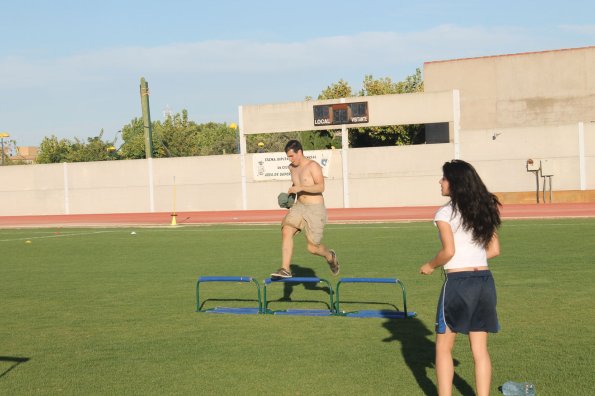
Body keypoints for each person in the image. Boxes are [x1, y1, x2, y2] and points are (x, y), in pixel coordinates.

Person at [419, 160, 502, 396]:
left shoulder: (445, 212)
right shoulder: (484, 208)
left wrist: (430, 266)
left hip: (458, 285)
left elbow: (448, 252)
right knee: (480, 350)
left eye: (443, 178)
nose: (440, 181)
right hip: (485, 282)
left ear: (454, 184)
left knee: (443, 347)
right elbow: (494, 250)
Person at [271, 140, 339, 279]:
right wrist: (290, 197)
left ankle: (330, 256)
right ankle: (285, 269)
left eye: (291, 156)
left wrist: (301, 188)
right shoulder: (292, 168)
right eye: (288, 156)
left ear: (300, 152)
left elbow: (321, 187)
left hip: (315, 209)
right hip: (299, 206)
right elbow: (296, 185)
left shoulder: (313, 166)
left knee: (312, 248)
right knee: (286, 230)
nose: (290, 159)